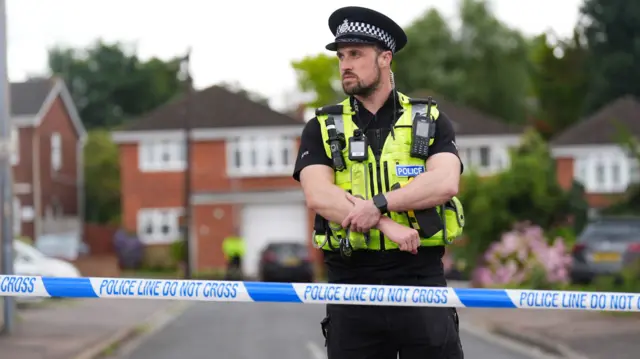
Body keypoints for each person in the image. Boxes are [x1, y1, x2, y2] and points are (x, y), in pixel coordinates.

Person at [292, 6, 466, 359]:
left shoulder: (431, 121)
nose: (345, 64)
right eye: (341, 56)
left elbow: (445, 182)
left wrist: (379, 204)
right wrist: (384, 223)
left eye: (356, 54)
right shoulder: (321, 128)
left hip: (420, 278)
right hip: (351, 283)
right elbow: (319, 195)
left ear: (385, 58)